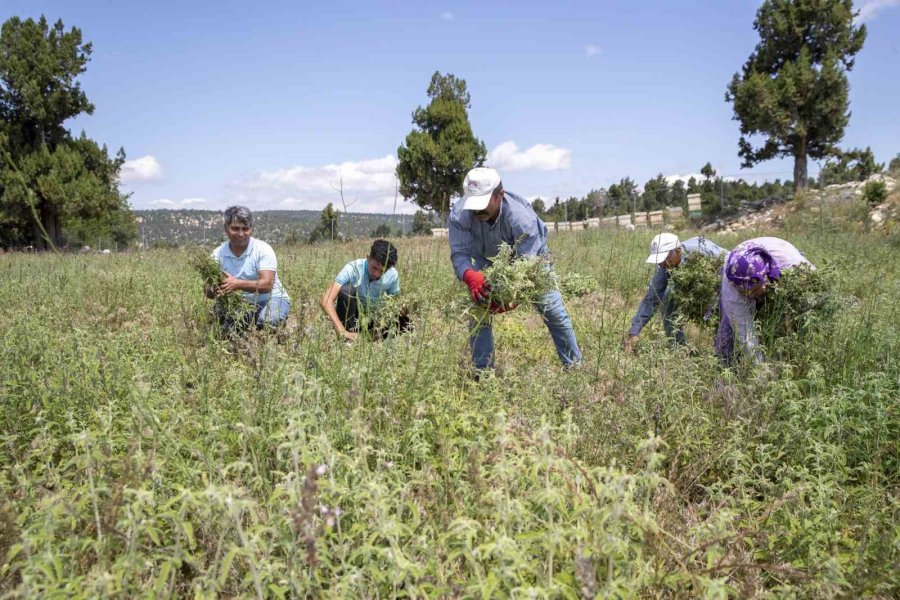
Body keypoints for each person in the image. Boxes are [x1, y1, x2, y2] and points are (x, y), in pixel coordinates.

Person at [449, 167, 582, 370]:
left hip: (530, 261)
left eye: (482, 204)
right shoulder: (460, 215)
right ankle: (482, 374)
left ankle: (574, 368)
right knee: (478, 312)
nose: (477, 211)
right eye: (473, 204)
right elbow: (460, 253)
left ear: (499, 195)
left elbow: (526, 267)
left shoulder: (521, 218)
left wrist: (511, 296)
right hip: (486, 261)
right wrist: (470, 275)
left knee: (553, 310)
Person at [715, 236, 814, 364]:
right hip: (738, 270)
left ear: (764, 278)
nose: (750, 296)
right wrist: (760, 373)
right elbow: (747, 338)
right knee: (729, 329)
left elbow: (815, 289)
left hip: (780, 256)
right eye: (744, 293)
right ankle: (724, 365)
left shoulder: (792, 265)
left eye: (755, 290)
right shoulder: (733, 285)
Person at [625, 233, 727, 352]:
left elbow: (727, 274)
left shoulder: (702, 252)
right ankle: (679, 348)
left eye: (664, 259)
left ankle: (725, 349)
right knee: (668, 298)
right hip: (693, 284)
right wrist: (634, 331)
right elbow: (652, 298)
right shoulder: (664, 266)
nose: (662, 264)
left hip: (724, 279)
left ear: (677, 251)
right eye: (659, 260)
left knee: (719, 312)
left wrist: (710, 303)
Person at [206, 206, 291, 334]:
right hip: (240, 303)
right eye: (235, 228)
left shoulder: (263, 249)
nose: (240, 234)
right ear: (226, 229)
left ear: (251, 230)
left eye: (245, 229)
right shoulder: (217, 254)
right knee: (227, 327)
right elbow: (208, 292)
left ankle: (274, 320)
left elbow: (267, 285)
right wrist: (214, 288)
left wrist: (236, 284)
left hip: (270, 298)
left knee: (269, 322)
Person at [320, 239, 409, 341]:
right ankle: (348, 338)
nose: (377, 274)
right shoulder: (353, 268)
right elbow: (326, 300)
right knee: (346, 291)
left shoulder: (393, 275)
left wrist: (401, 309)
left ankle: (371, 337)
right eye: (374, 268)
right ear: (368, 258)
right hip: (351, 318)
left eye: (382, 271)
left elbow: (394, 303)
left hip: (372, 318)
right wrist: (341, 330)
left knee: (406, 324)